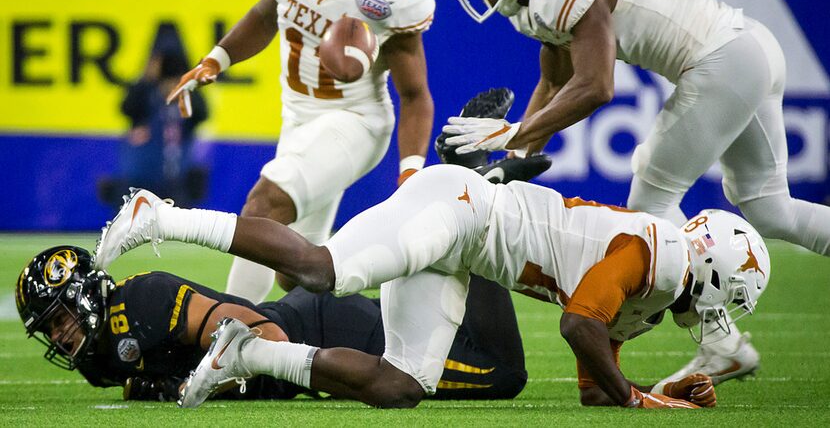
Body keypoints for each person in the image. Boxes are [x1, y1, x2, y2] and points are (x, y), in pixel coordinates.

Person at [444, 0, 830, 384]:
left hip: (724, 58)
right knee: (772, 209)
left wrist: (513, 132)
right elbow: (556, 79)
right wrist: (514, 155)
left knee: (652, 200)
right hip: (746, 49)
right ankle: (723, 344)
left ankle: (722, 343)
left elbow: (596, 86)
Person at [94, 162, 770, 410]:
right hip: (462, 210)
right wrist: (641, 404)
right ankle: (162, 214)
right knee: (322, 270)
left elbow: (596, 387)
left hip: (465, 255)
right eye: (732, 297)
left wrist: (648, 391)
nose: (723, 315)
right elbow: (578, 326)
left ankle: (247, 354)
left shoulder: (654, 297)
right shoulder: (657, 251)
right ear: (710, 268)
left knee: (399, 386)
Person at [166, 0, 435, 300]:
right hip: (298, 120)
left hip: (356, 121)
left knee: (262, 207)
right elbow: (265, 13)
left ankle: (227, 342)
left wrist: (411, 173)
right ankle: (342, 346)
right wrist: (215, 59)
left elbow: (415, 95)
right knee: (295, 274)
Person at [15, 246, 527, 402]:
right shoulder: (96, 355)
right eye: (48, 327)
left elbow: (269, 338)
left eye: (59, 317)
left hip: (323, 333)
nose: (59, 335)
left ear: (83, 295)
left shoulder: (145, 300)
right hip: (314, 361)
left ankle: (474, 219)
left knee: (499, 375)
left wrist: (189, 385)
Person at [98, 38, 209, 209]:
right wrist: (146, 79)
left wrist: (187, 86)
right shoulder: (145, 96)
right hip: (143, 179)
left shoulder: (187, 100)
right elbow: (126, 108)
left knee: (177, 222)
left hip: (177, 180)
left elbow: (203, 114)